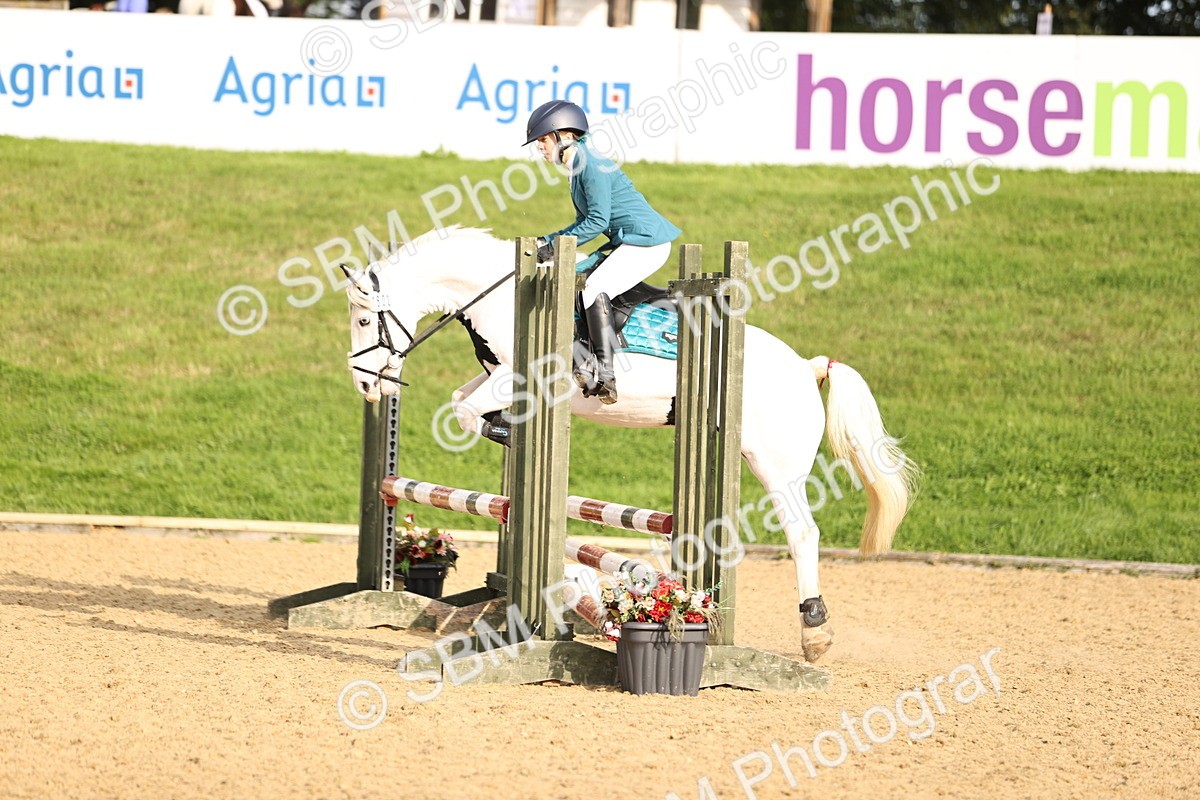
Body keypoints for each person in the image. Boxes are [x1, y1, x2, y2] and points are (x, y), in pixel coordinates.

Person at [525, 100, 681, 405]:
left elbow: (596, 221)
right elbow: (585, 221)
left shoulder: (590, 165)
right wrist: (545, 239)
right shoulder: (579, 164)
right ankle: (584, 356)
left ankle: (606, 374)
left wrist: (553, 248)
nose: (540, 148)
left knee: (594, 287)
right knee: (579, 279)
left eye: (543, 140)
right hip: (629, 240)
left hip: (645, 241)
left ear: (562, 136)